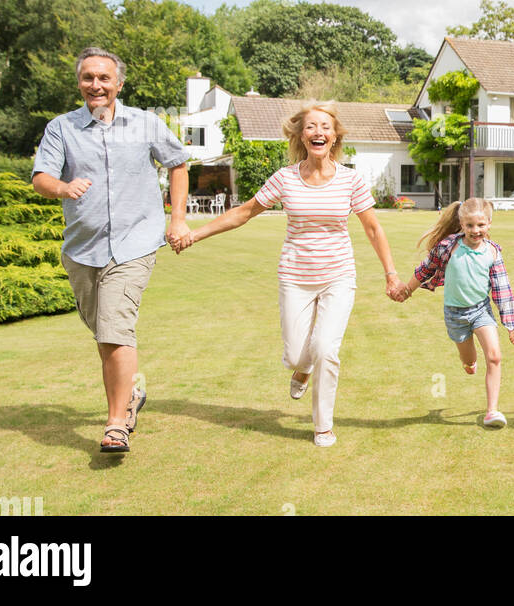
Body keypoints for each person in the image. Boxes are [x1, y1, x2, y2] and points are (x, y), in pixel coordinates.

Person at [179, 101, 406, 446]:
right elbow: (245, 212)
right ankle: (304, 367)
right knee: (298, 355)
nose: (319, 132)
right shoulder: (285, 178)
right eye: (311, 127)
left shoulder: (350, 180)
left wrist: (391, 274)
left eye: (325, 127)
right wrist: (195, 234)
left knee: (327, 348)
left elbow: (373, 229)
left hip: (338, 276)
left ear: (334, 137)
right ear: (302, 135)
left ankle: (323, 426)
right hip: (295, 276)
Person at [31, 47, 192, 453]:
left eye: (104, 78)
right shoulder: (61, 129)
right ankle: (131, 394)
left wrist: (177, 218)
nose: (96, 85)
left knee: (115, 329)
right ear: (79, 84)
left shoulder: (145, 123)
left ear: (119, 83)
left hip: (134, 244)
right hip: (82, 250)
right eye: (88, 78)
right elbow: (41, 177)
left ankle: (116, 423)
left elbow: (178, 163)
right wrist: (63, 188)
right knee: (104, 333)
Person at [399, 198, 514, 428]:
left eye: (481, 225)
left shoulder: (493, 252)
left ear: (489, 223)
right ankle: (469, 363)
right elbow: (425, 270)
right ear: (461, 224)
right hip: (455, 314)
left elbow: (503, 291)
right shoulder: (448, 246)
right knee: (469, 361)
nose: (475, 230)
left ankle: (492, 412)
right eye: (470, 225)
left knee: (495, 356)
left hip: (481, 311)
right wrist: (406, 290)